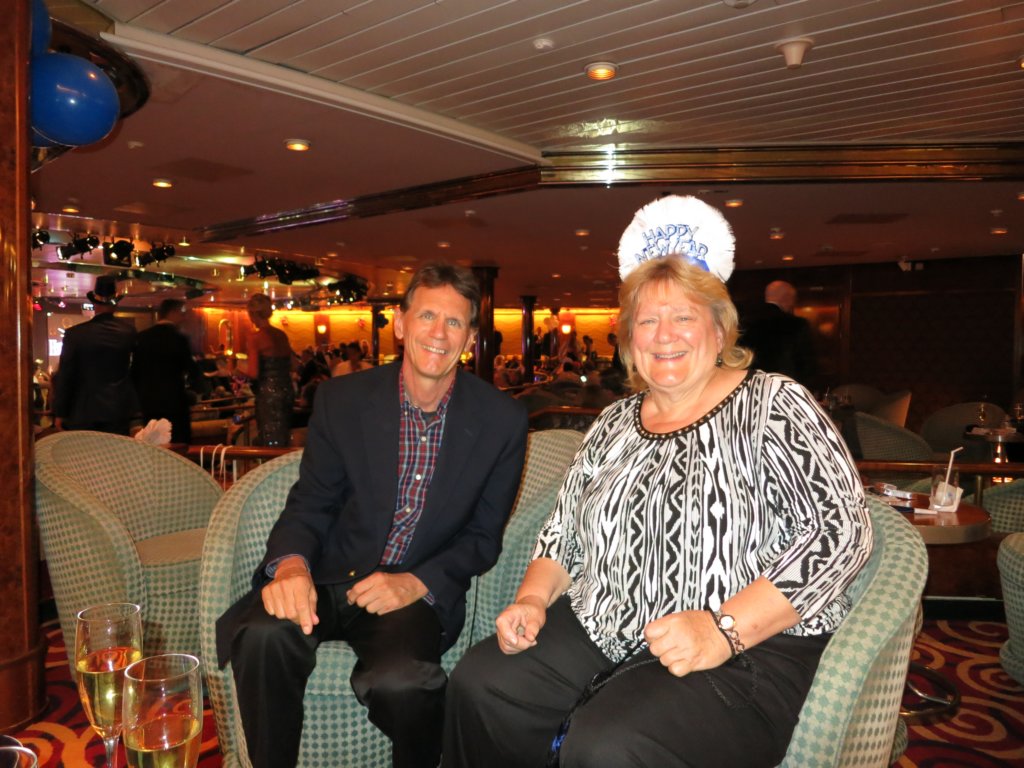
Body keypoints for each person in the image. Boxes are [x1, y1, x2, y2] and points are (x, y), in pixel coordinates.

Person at [443, 196, 873, 768]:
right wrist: (531, 599)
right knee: (481, 684)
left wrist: (721, 629)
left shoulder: (775, 403)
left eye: (684, 316)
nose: (664, 334)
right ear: (629, 339)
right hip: (604, 626)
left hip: (746, 647)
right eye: (647, 320)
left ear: (719, 328)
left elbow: (840, 532)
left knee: (608, 745)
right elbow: (562, 534)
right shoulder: (613, 423)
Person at [216, 263, 529, 768]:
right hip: (328, 573)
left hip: (410, 590)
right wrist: (291, 564)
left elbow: (482, 537)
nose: (438, 333)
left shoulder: (502, 420)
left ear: (470, 339)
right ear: (401, 323)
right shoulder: (342, 399)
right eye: (427, 315)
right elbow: (313, 500)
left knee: (402, 683)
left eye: (454, 322)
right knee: (262, 636)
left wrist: (416, 583)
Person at [52, 274, 138, 435]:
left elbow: (66, 375)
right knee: (115, 450)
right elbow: (136, 371)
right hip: (118, 409)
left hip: (83, 410)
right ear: (115, 304)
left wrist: (61, 412)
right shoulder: (129, 332)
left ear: (94, 304)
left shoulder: (75, 334)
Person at [131, 298, 202, 444]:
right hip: (174, 401)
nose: (184, 317)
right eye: (182, 313)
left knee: (152, 442)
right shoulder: (179, 338)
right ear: (172, 312)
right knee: (178, 443)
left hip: (149, 402)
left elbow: (134, 371)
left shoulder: (142, 337)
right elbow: (192, 369)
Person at [739, 279, 818, 388]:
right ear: (786, 298)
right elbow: (807, 365)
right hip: (786, 388)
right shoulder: (796, 324)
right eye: (793, 299)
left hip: (752, 386)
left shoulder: (746, 322)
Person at [242, 294, 295, 446]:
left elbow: (253, 373)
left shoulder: (255, 338)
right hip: (286, 390)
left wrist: (235, 371)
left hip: (268, 393)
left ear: (252, 314)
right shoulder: (281, 335)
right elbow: (294, 365)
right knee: (283, 435)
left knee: (269, 438)